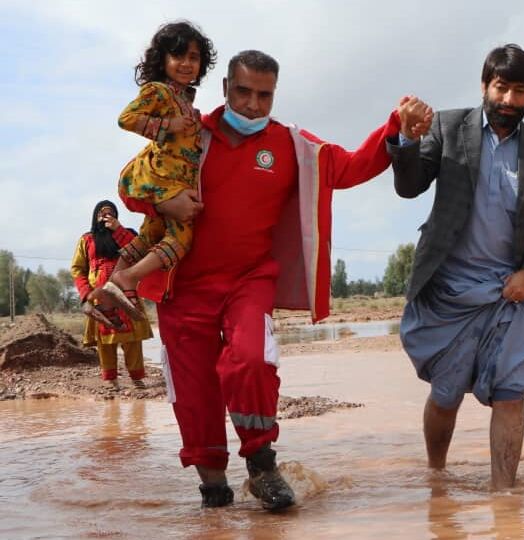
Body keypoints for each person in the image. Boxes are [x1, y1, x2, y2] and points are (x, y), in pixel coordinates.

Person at [89, 50, 432, 511]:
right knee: (193, 394)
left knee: (251, 360)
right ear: (226, 87)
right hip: (183, 287)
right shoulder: (190, 135)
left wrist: (394, 127)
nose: (252, 104)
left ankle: (262, 463)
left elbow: (349, 167)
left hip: (249, 281)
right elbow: (133, 186)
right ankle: (213, 492)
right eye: (244, 92)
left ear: (274, 95)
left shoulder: (290, 145)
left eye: (264, 96)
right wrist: (166, 204)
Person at [387, 44, 524, 489]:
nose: (508, 100)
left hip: (512, 292)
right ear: (485, 85)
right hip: (449, 290)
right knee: (445, 396)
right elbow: (409, 187)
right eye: (501, 88)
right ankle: (436, 477)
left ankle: (505, 497)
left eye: (519, 91)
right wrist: (408, 138)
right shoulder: (448, 127)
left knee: (511, 392)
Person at [103, 21, 217, 317]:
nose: (186, 63)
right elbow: (126, 119)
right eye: (178, 56)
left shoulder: (185, 100)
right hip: (161, 178)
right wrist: (168, 126)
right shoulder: (159, 91)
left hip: (173, 178)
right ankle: (126, 279)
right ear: (162, 59)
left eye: (193, 57)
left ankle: (103, 299)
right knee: (181, 239)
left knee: (152, 232)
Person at [70, 201, 153, 389]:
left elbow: (139, 253)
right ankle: (111, 380)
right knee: (104, 340)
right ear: (95, 216)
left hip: (126, 292)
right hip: (98, 295)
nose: (105, 217)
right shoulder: (87, 240)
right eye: (101, 213)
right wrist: (86, 295)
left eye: (110, 213)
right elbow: (77, 269)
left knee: (132, 338)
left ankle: (137, 378)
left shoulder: (128, 234)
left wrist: (118, 230)